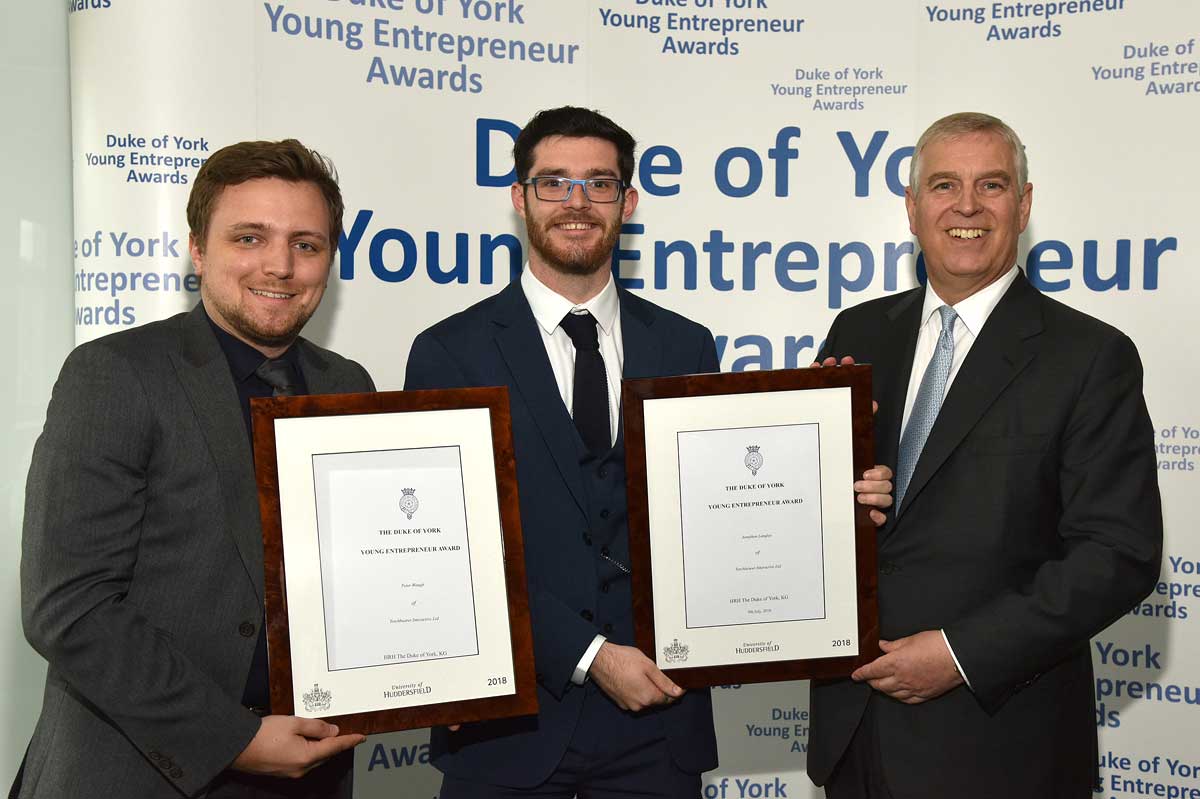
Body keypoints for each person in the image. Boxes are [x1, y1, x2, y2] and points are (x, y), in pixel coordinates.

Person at [404, 105, 895, 798]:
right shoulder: (450, 351)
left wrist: (829, 496)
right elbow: (450, 547)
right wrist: (588, 655)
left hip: (661, 725)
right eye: (553, 182)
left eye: (599, 184)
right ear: (519, 198)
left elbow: (718, 510)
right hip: (509, 730)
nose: (576, 202)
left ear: (627, 202)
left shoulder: (685, 344)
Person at [807, 112, 1163, 799]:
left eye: (991, 185)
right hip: (855, 737)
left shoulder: (1089, 357)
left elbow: (1118, 554)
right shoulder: (858, 331)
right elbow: (822, 511)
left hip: (999, 746)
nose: (966, 206)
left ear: (1023, 205)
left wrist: (959, 654)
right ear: (912, 209)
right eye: (943, 185)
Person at [17, 139, 373, 798]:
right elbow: (67, 605)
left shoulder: (347, 383)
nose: (280, 265)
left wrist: (437, 671)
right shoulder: (116, 374)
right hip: (137, 772)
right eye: (249, 237)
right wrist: (231, 736)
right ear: (199, 249)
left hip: (310, 773)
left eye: (307, 243)